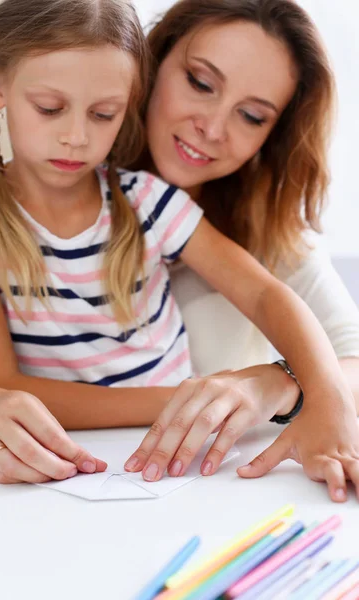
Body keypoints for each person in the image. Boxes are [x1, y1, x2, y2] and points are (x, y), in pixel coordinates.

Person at [0, 0, 357, 501]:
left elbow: (270, 298)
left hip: (185, 467)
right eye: (50, 108)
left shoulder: (151, 202)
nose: (77, 136)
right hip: (65, 475)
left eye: (104, 114)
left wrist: (314, 400)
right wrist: (182, 401)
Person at [124, 0, 359, 500]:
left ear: (272, 135)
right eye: (201, 83)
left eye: (251, 116)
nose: (212, 127)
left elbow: (355, 358)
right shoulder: (55, 191)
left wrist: (277, 384)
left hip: (208, 500)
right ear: (152, 62)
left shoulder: (271, 235)